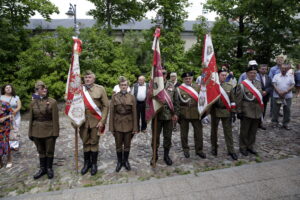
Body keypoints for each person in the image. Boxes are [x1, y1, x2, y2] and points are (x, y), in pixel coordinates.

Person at [78, 70, 109, 176]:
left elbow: (106, 106)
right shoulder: (78, 89)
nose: (87, 79)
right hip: (83, 122)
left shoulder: (100, 89)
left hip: (96, 122)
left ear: (94, 79)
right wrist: (75, 121)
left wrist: (102, 121)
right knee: (85, 142)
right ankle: (87, 164)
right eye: (85, 77)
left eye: (89, 77)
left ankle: (94, 164)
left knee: (94, 143)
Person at [28, 81, 59, 179]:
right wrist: (30, 132)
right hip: (36, 130)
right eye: (42, 88)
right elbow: (31, 118)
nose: (45, 90)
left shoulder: (52, 102)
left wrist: (55, 132)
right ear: (37, 90)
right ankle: (42, 169)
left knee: (49, 150)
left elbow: (55, 119)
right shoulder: (33, 102)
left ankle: (49, 168)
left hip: (49, 130)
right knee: (40, 150)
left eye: (45, 88)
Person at [151, 69, 179, 166]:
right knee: (155, 138)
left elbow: (176, 101)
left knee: (167, 137)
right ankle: (154, 155)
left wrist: (175, 114)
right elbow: (149, 101)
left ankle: (166, 155)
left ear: (166, 75)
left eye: (163, 73)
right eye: (160, 73)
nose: (162, 75)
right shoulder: (154, 85)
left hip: (168, 116)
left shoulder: (171, 86)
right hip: (157, 116)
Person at [109, 79, 138, 172]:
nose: (123, 86)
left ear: (127, 86)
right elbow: (112, 112)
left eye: (125, 85)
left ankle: (125, 161)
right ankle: (119, 162)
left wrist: (135, 127)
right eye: (122, 85)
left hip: (129, 123)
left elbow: (134, 112)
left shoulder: (132, 97)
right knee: (118, 145)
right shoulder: (114, 97)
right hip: (117, 123)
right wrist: (111, 127)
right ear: (119, 86)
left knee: (127, 145)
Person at [175, 71, 206, 159]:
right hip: (184, 113)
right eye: (186, 79)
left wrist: (203, 112)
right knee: (184, 134)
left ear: (192, 78)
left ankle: (199, 150)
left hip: (196, 112)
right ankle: (185, 149)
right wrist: (177, 115)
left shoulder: (198, 87)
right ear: (183, 79)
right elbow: (177, 103)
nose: (188, 80)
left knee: (198, 133)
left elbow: (203, 99)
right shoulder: (179, 89)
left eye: (189, 78)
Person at [235, 63, 263, 156]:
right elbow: (238, 99)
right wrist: (239, 112)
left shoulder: (258, 83)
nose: (253, 75)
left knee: (253, 131)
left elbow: (260, 97)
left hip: (256, 111)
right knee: (244, 131)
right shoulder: (242, 85)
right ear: (247, 74)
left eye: (255, 73)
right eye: (251, 73)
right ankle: (243, 147)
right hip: (246, 111)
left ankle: (250, 146)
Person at [210, 69, 238, 160]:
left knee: (228, 132)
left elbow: (233, 101)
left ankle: (231, 150)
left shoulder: (229, 86)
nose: (224, 76)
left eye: (225, 75)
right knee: (214, 131)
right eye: (222, 75)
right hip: (215, 111)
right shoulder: (213, 86)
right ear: (218, 75)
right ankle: (214, 148)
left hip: (226, 111)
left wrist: (233, 113)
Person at [271, 63, 295, 130]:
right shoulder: (276, 76)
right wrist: (278, 91)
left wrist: (286, 91)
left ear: (287, 69)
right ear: (280, 69)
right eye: (282, 68)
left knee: (287, 110)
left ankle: (285, 124)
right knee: (276, 110)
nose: (284, 70)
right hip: (277, 96)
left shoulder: (290, 76)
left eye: (285, 68)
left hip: (287, 96)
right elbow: (274, 84)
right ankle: (274, 122)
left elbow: (292, 85)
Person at [1, 84, 22, 151]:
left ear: (12, 89)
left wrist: (14, 111)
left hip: (15, 116)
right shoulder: (1, 97)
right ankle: (6, 143)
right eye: (6, 88)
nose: (8, 89)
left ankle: (15, 145)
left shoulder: (16, 97)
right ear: (4, 89)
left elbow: (19, 106)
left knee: (15, 130)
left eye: (10, 87)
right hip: (4, 117)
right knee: (5, 130)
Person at [257, 64, 272, 130]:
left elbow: (270, 86)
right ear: (259, 69)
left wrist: (266, 91)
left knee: (263, 110)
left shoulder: (268, 77)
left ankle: (260, 123)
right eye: (262, 69)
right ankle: (255, 124)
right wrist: (261, 91)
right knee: (256, 110)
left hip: (265, 96)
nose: (264, 70)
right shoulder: (256, 76)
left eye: (265, 69)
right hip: (257, 96)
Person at [0, 100, 13, 169]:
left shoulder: (5, 103)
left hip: (4, 127)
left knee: (5, 142)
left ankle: (9, 160)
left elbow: (12, 114)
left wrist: (4, 118)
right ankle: (0, 161)